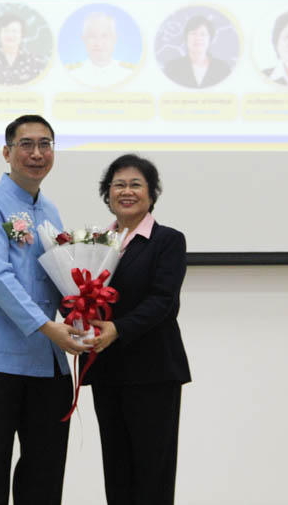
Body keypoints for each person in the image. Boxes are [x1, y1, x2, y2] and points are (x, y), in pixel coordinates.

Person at [0, 115, 91, 505]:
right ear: (7, 152)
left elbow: (59, 277)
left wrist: (82, 311)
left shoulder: (50, 211)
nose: (37, 153)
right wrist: (49, 328)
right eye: (26, 144)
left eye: (45, 144)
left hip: (47, 364)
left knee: (45, 473)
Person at [84, 154, 191, 505]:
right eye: (118, 185)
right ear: (107, 194)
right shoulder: (94, 244)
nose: (126, 191)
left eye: (135, 184)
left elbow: (163, 301)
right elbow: (81, 295)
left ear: (151, 193)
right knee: (117, 471)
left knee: (152, 474)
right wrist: (78, 319)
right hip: (108, 370)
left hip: (153, 372)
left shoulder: (167, 240)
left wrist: (117, 328)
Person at [0, 13, 46, 85]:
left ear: (22, 35)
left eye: (14, 31)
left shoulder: (34, 62)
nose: (10, 35)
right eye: (6, 31)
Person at [67, 12, 135, 88]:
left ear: (114, 38)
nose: (98, 43)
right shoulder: (71, 74)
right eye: (92, 36)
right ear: (84, 39)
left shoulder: (129, 73)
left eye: (104, 36)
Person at [163, 15, 231, 89]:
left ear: (210, 39)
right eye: (193, 33)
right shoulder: (172, 67)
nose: (198, 38)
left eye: (203, 34)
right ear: (186, 38)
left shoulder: (222, 69)